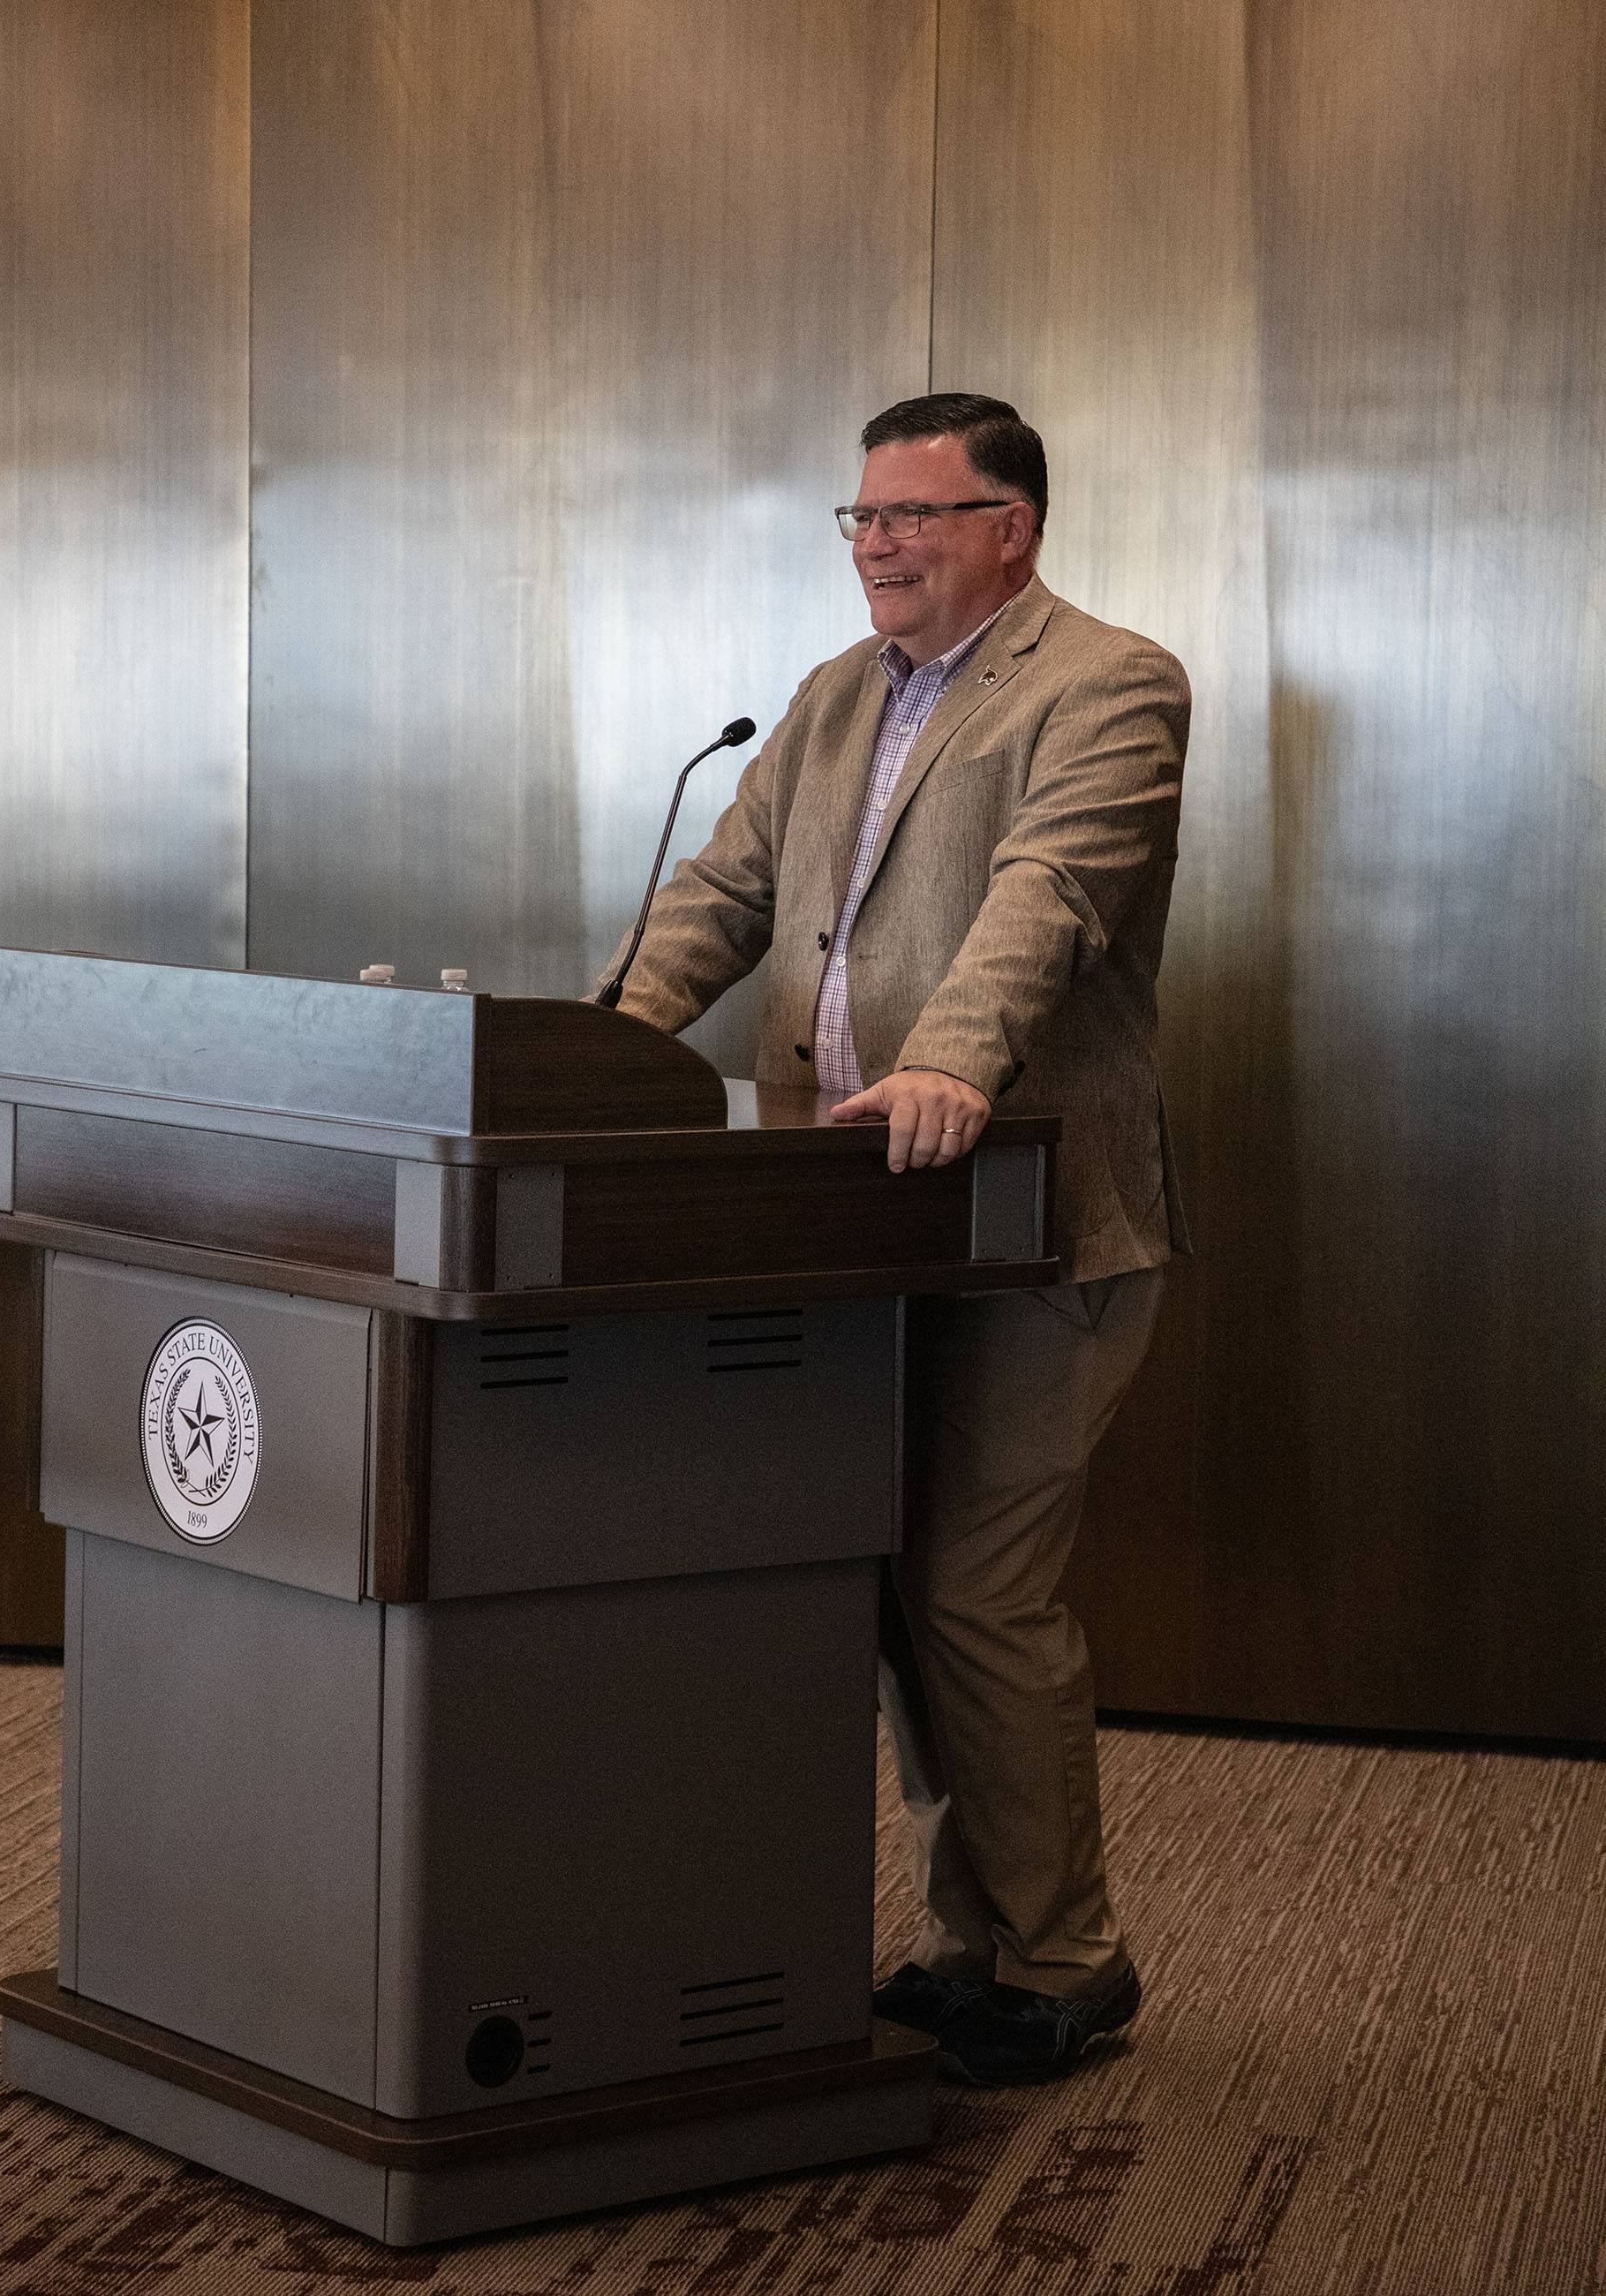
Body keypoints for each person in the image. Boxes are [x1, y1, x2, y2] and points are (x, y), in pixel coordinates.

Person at [600, 392, 1190, 2084]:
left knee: (978, 1591)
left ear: (1011, 524)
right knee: (888, 1586)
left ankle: (1069, 1960)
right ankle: (970, 1939)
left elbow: (1050, 900)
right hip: (848, 1225)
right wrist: (599, 1045)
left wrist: (949, 1059)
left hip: (1032, 1223)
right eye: (861, 520)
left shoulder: (1108, 683)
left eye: (914, 518)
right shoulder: (829, 700)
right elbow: (722, 896)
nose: (877, 545)